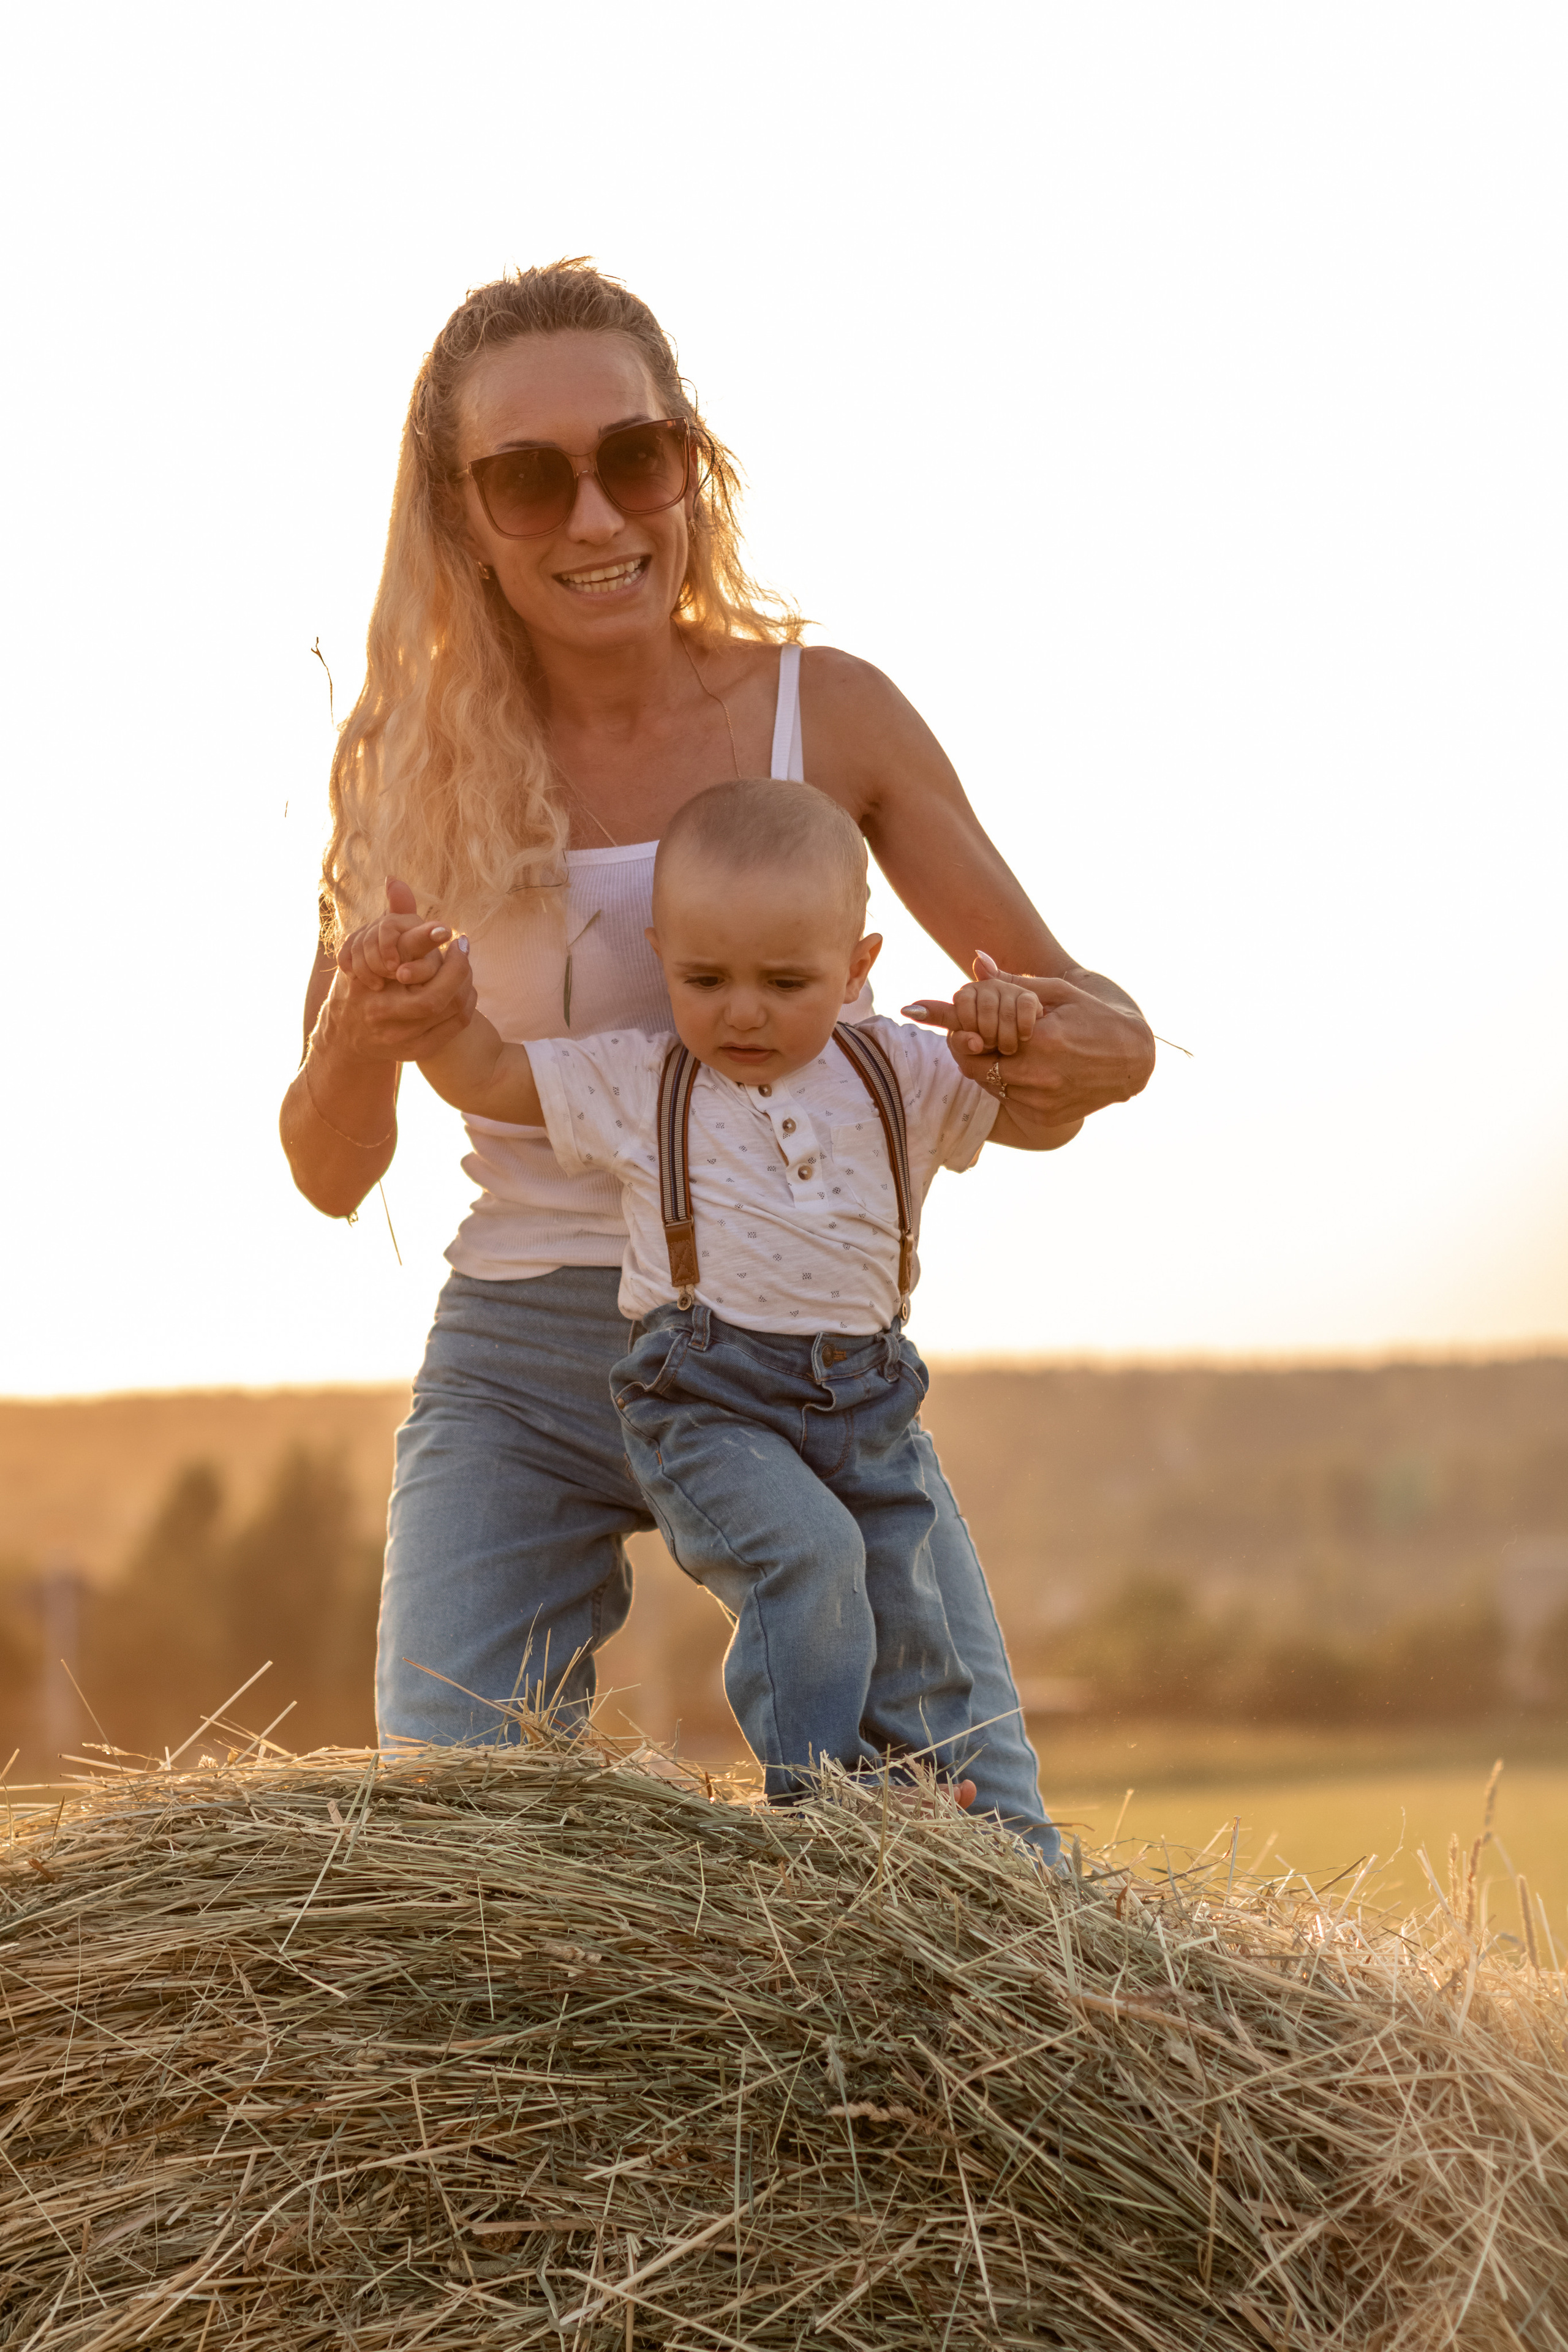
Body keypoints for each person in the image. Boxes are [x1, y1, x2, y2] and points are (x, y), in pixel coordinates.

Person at [279, 259, 1155, 1857]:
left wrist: (1067, 1050)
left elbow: (1069, 1037)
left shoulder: (832, 719)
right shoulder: (405, 771)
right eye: (530, 480)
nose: (599, 517)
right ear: (462, 512)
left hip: (802, 1361)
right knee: (442, 1868)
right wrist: (364, 1032)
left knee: (982, 1858)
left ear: (695, 460)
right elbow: (331, 1169)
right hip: (519, 1364)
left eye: (638, 455)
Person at [378, 779, 1082, 1808]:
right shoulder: (645, 1079)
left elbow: (1039, 1116)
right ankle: (818, 1805)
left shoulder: (904, 1072)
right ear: (657, 951)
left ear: (858, 968)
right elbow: (491, 1075)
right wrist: (439, 1015)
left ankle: (930, 1807)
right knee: (811, 1554)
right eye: (705, 978)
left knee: (906, 1598)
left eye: (786, 983)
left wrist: (1008, 1029)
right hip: (707, 1404)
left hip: (868, 1404)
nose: (742, 1011)